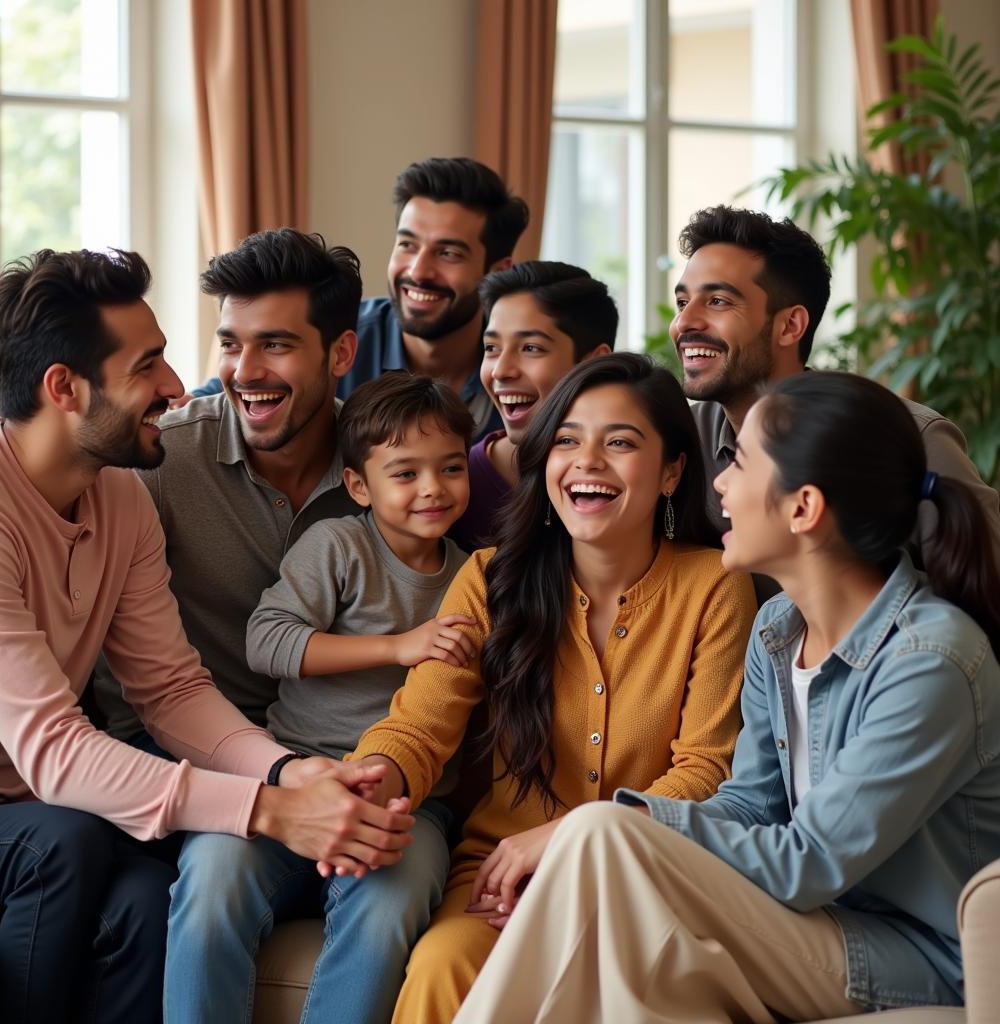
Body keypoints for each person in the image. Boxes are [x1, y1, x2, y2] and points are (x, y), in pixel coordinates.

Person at [452, 371, 1000, 1024]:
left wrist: (619, 829)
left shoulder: (929, 662)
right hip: (814, 924)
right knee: (633, 949)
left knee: (601, 835)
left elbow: (811, 862)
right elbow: (750, 802)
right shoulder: (779, 630)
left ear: (803, 509)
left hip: (922, 960)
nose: (718, 485)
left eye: (739, 462)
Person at [0, 248, 412, 1024]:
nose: (179, 387)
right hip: (20, 806)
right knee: (65, 844)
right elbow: (54, 749)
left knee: (148, 898)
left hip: (43, 798)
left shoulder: (120, 497)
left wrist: (288, 773)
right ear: (63, 389)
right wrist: (270, 812)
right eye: (149, 365)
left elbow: (172, 689)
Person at [348, 352, 757, 1023]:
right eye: (566, 440)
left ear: (673, 471)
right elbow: (421, 725)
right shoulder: (489, 578)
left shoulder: (716, 585)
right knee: (443, 965)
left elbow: (706, 772)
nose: (587, 461)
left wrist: (568, 839)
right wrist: (373, 776)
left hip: (642, 876)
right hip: (501, 875)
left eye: (619, 442)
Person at [165, 372, 475, 1024]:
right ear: (359, 486)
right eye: (406, 473)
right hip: (294, 773)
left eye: (450, 468)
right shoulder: (338, 545)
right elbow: (267, 641)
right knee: (213, 874)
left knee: (395, 899)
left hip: (404, 802)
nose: (433, 489)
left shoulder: (471, 576)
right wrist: (397, 646)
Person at [94, 228, 363, 742]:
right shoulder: (161, 458)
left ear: (341, 354)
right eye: (230, 345)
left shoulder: (388, 467)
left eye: (276, 344)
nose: (244, 371)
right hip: (178, 748)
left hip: (333, 746)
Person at [671, 205, 1000, 597]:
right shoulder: (678, 439)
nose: (684, 323)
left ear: (790, 326)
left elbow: (987, 592)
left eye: (718, 301)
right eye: (681, 303)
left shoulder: (908, 438)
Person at [191, 158, 529, 442]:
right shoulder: (333, 336)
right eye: (407, 245)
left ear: (497, 272)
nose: (418, 270)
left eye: (449, 253)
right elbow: (218, 399)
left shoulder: (523, 365)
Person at [450, 261, 614, 551]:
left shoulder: (625, 478)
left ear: (594, 362)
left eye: (530, 348)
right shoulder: (459, 485)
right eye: (491, 348)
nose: (501, 370)